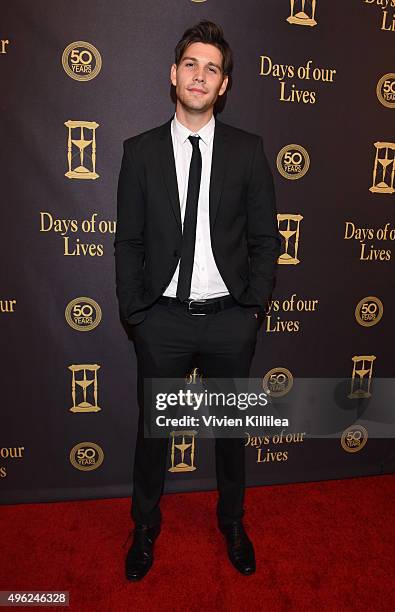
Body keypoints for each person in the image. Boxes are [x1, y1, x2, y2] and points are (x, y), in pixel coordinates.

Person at [114, 19, 281, 581]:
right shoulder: (138, 153)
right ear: (173, 74)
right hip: (161, 319)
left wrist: (253, 306)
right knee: (152, 435)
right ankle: (144, 527)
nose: (200, 75)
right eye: (191, 64)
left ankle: (232, 521)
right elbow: (129, 241)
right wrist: (135, 313)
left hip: (230, 320)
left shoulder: (248, 151)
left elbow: (265, 238)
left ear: (224, 83)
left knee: (232, 434)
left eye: (212, 68)